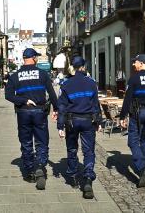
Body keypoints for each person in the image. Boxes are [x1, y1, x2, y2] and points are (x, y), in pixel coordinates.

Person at [5, 48, 58, 190]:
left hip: (23, 112)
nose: (37, 59)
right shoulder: (42, 73)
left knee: (26, 142)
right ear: (33, 58)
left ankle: (28, 172)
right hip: (40, 112)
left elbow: (8, 95)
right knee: (41, 141)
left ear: (23, 59)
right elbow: (52, 94)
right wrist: (57, 109)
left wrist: (23, 100)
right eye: (36, 57)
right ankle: (40, 165)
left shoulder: (15, 76)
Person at [57, 56, 102, 199]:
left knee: (72, 148)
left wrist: (60, 126)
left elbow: (62, 107)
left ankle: (74, 176)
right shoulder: (91, 83)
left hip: (71, 121)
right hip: (88, 121)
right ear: (83, 67)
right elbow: (96, 104)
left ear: (73, 68)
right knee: (88, 150)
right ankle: (88, 178)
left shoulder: (66, 84)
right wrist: (99, 122)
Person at [119, 54, 145, 188]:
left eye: (135, 62)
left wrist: (122, 116)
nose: (133, 64)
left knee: (132, 141)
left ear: (142, 63)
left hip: (138, 113)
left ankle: (142, 167)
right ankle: (143, 166)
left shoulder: (135, 78)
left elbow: (127, 99)